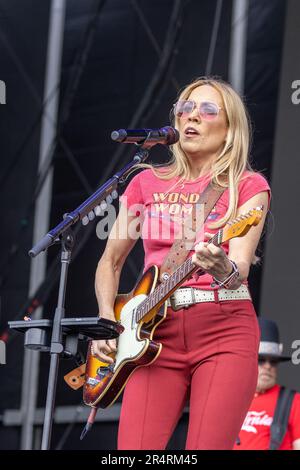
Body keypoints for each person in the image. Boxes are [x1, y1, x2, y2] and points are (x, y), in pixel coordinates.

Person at [91, 77, 271, 450]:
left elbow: (238, 267)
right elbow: (110, 262)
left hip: (223, 329)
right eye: (185, 108)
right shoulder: (144, 183)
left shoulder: (248, 186)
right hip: (152, 332)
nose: (192, 116)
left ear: (229, 130)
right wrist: (107, 323)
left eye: (207, 110)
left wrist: (221, 267)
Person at [234, 318, 300, 450]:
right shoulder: (231, 398)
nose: (268, 366)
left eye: (273, 361)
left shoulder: (293, 401)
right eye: (261, 360)